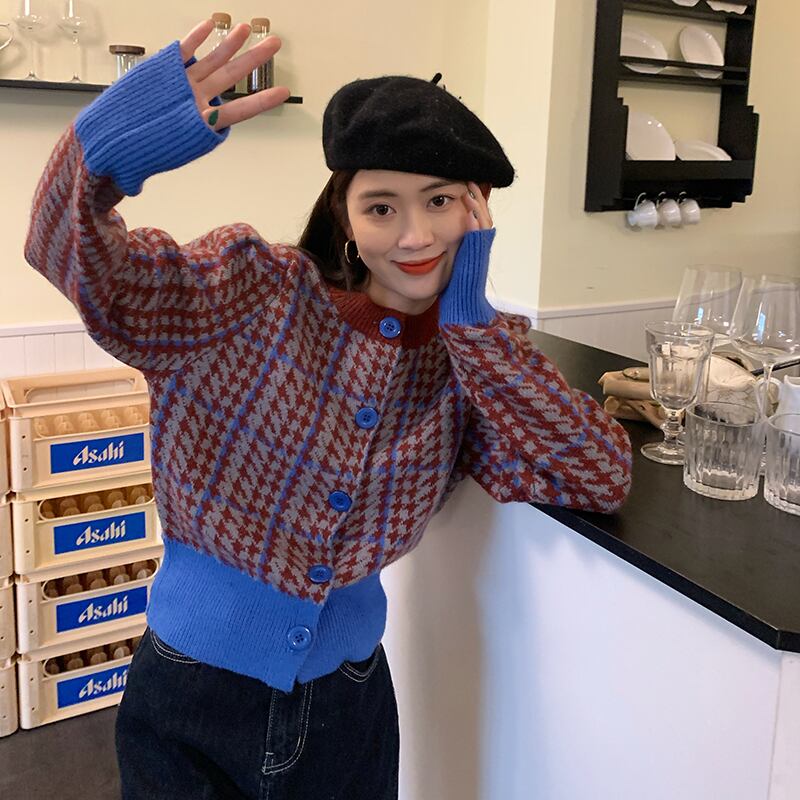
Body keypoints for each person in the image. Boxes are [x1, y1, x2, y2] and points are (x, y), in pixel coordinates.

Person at [24, 19, 632, 800]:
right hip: (189, 689)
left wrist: (472, 324)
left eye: (440, 201)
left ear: (476, 208)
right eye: (382, 207)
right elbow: (67, 253)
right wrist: (114, 142)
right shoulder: (251, 290)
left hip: (350, 707)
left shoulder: (475, 359)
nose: (415, 234)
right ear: (345, 215)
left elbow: (598, 475)